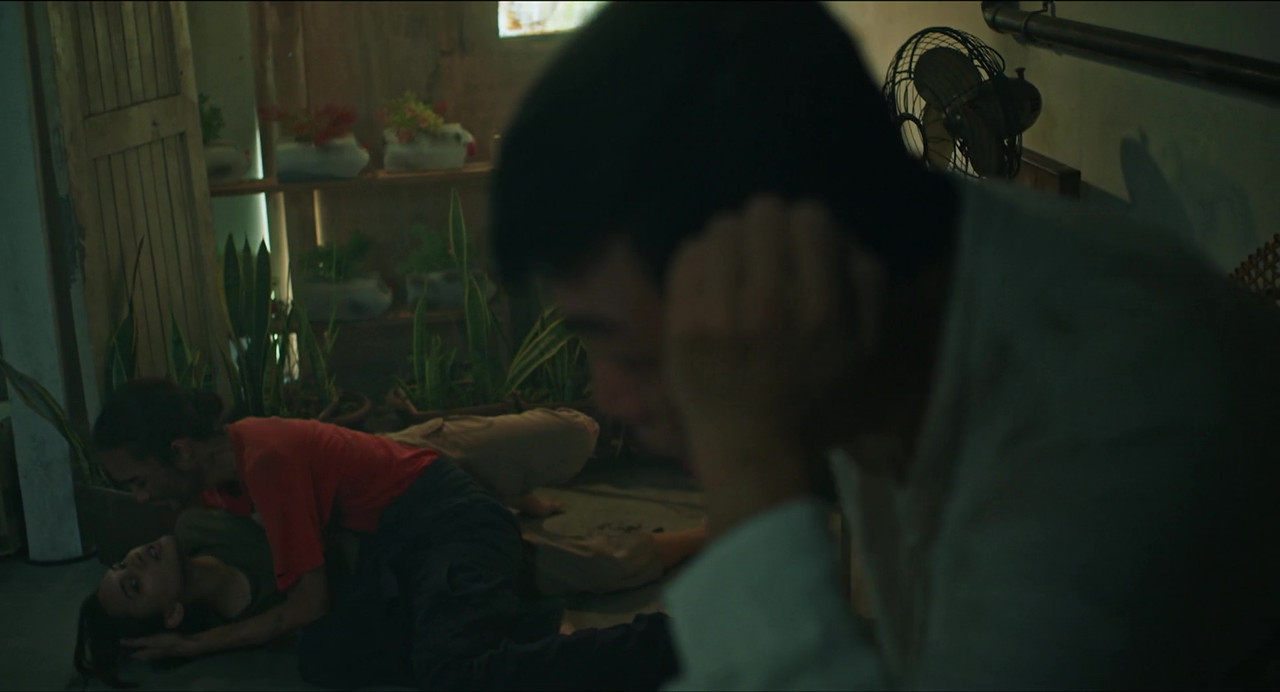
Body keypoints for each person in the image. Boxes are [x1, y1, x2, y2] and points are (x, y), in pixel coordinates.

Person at [489, 2, 1280, 689]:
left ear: (778, 269)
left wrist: (749, 466)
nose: (609, 398)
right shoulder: (907, 278)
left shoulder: (1107, 426)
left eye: (626, 351)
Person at [89, 380, 678, 690]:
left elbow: (309, 602)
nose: (138, 498)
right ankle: (529, 625)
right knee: (328, 657)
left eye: (137, 481)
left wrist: (196, 646)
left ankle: (658, 645)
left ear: (180, 451)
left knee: (454, 675)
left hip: (447, 519)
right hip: (400, 544)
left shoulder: (263, 460)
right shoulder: (214, 486)